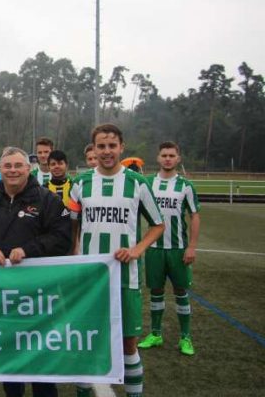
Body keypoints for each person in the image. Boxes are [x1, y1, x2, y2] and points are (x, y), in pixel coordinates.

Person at [68, 124, 164, 397]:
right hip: (88, 279)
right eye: (101, 146)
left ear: (121, 147)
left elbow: (158, 225)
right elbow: (72, 226)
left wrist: (137, 249)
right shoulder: (81, 183)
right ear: (93, 149)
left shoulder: (137, 183)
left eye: (112, 146)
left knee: (128, 345)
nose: (107, 151)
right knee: (86, 342)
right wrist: (74, 251)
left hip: (125, 276)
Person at [0, 146, 71, 397]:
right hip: (3, 292)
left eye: (18, 166)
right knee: (11, 353)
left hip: (39, 292)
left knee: (42, 356)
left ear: (29, 168)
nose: (13, 170)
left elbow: (62, 238)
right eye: (7, 166)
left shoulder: (47, 199)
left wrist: (29, 250)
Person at [138, 141, 201, 356]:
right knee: (156, 291)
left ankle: (186, 337)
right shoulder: (147, 184)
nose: (167, 158)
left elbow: (194, 215)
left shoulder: (185, 186)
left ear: (178, 159)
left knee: (181, 291)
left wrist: (192, 246)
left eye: (171, 155)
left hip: (178, 249)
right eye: (164, 155)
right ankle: (155, 334)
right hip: (154, 248)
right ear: (158, 158)